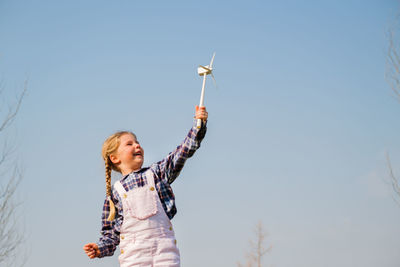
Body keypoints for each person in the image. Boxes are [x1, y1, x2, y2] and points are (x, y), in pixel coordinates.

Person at [83, 106, 208, 267]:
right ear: (114, 158)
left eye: (137, 142)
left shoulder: (156, 174)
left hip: (166, 258)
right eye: (129, 144)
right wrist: (100, 248)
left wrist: (198, 125)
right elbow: (111, 233)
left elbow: (182, 152)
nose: (137, 146)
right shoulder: (114, 194)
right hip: (134, 261)